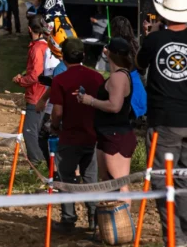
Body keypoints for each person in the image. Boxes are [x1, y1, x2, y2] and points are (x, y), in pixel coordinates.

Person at [137, 0, 187, 247]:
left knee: (161, 179)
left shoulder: (154, 41)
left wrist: (153, 36)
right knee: (185, 179)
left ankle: (175, 239)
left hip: (164, 120)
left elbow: (139, 64)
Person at [48, 38, 104, 234]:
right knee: (91, 178)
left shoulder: (60, 80)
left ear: (63, 56)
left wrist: (54, 127)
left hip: (69, 137)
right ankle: (94, 219)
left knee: (66, 178)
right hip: (92, 136)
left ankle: (68, 219)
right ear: (84, 55)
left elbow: (57, 111)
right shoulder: (96, 77)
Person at [77, 37, 135, 199]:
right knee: (108, 182)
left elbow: (115, 106)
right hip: (107, 133)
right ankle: (113, 220)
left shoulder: (118, 77)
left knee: (119, 184)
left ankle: (124, 222)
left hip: (116, 135)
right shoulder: (117, 75)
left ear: (110, 53)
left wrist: (90, 101)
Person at [12, 15, 49, 164]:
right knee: (39, 131)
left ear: (29, 29)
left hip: (36, 95)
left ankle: (36, 162)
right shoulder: (47, 46)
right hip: (45, 93)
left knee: (29, 132)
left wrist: (20, 80)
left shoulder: (36, 49)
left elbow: (35, 76)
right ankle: (43, 160)